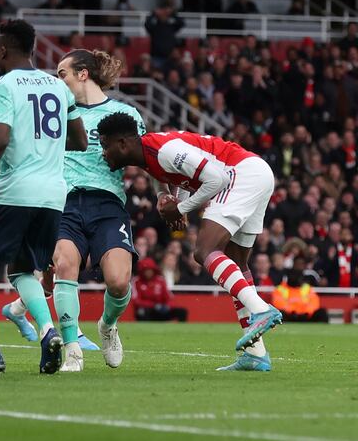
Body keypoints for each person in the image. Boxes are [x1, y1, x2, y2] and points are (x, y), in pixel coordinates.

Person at [0, 19, 87, 375]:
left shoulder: (1, 87)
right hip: (54, 194)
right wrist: (43, 144)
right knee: (24, 269)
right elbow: (80, 141)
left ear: (3, 49)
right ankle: (47, 332)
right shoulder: (59, 87)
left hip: (16, 189)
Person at [97, 112, 283, 371]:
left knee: (204, 250)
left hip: (241, 174)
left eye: (105, 145)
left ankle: (261, 310)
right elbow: (172, 176)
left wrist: (182, 207)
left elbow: (216, 179)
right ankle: (256, 353)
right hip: (256, 172)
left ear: (123, 144)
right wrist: (164, 196)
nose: (103, 153)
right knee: (237, 264)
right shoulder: (150, 154)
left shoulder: (164, 151)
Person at [1, 49, 144, 372]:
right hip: (63, 203)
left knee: (119, 282)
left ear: (83, 74)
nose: (57, 79)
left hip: (108, 204)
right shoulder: (58, 114)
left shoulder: (125, 114)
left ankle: (107, 326)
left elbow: (146, 156)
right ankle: (72, 350)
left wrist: (166, 194)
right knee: (64, 266)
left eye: (62, 73)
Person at [132, 258, 188, 322]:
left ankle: (180, 330)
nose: (148, 272)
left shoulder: (160, 280)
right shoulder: (136, 281)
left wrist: (166, 306)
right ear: (142, 271)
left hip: (161, 309)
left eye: (150, 270)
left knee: (182, 312)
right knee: (141, 312)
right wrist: (154, 306)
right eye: (146, 270)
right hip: (148, 310)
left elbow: (168, 297)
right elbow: (136, 301)